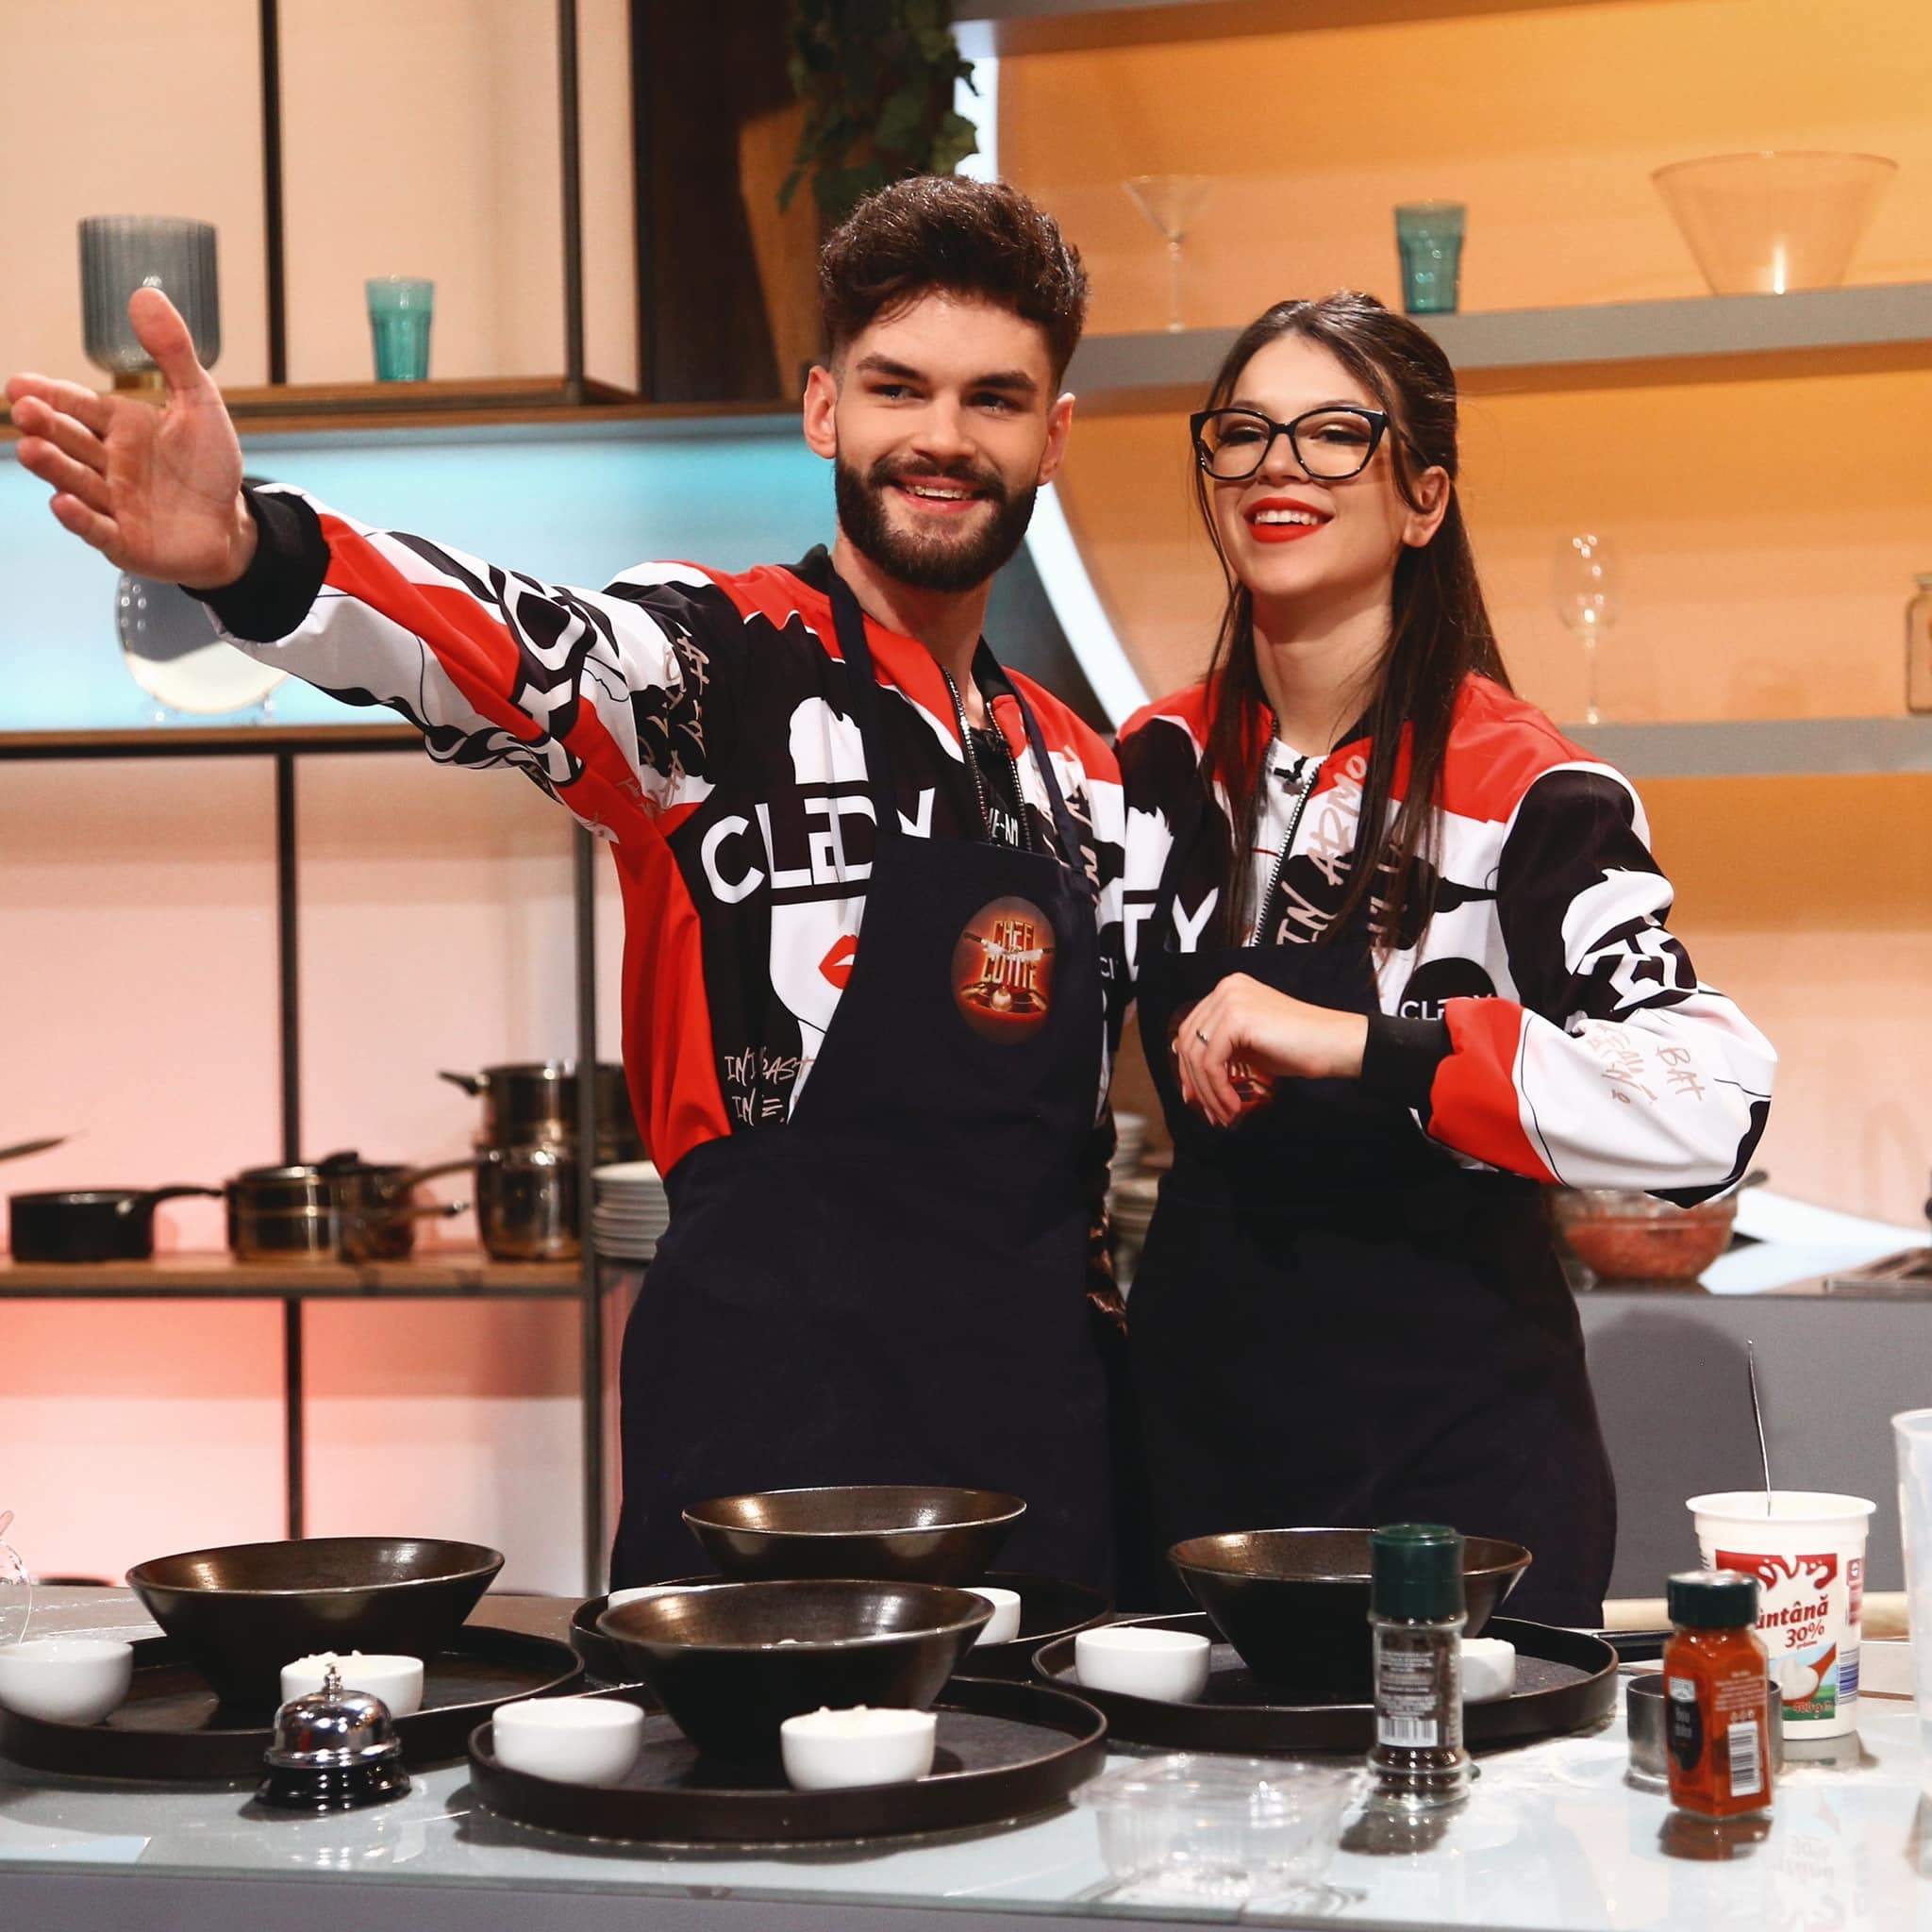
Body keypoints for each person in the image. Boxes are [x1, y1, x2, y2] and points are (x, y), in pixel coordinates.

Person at [8, 177, 1129, 1591]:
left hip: (1037, 1441)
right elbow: (506, 647)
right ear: (823, 408)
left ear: (1052, 434)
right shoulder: (707, 660)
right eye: (897, 387)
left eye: (994, 399)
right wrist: (251, 554)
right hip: (772, 1422)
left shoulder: (1083, 771)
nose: (943, 438)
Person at [1114, 293, 1775, 1624]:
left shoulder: (1531, 794)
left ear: (1424, 499)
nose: (1279, 467)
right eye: (1243, 433)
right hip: (1198, 1441)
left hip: (1459, 1457)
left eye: (1334, 434)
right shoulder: (1147, 769)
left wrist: (1371, 1045)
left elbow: (1717, 1106)